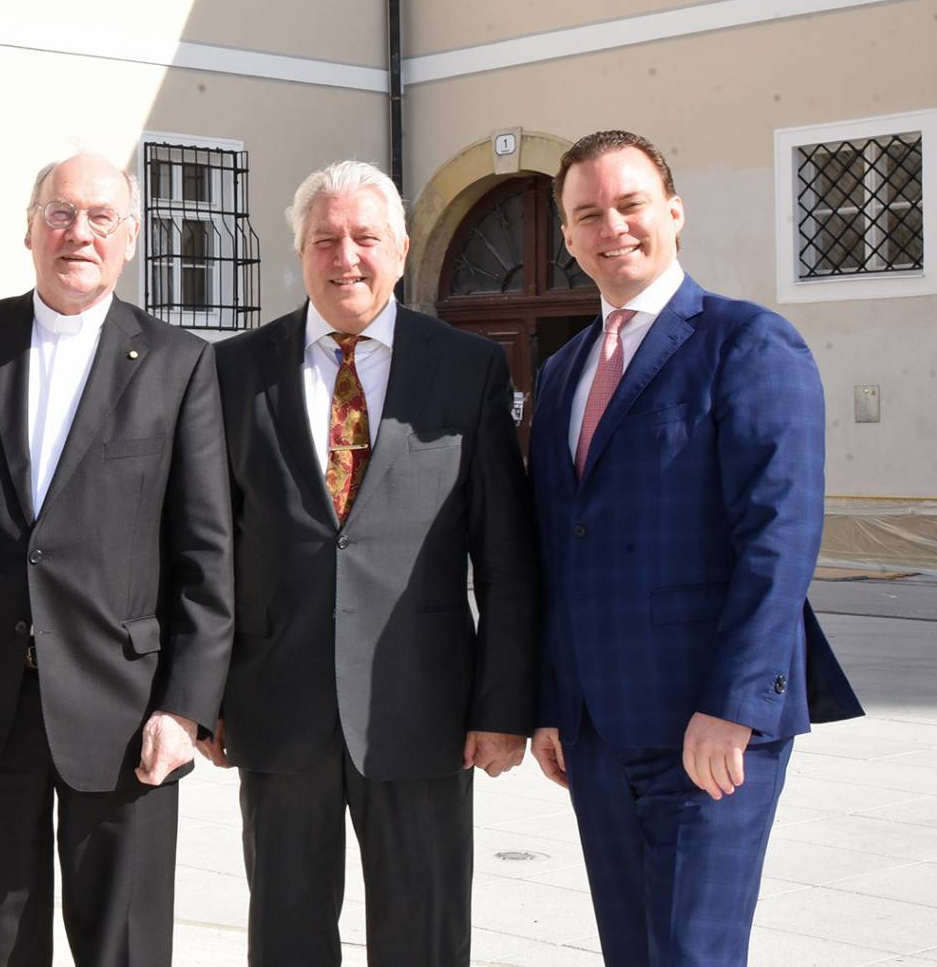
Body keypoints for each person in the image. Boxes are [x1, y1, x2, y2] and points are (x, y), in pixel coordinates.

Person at [0, 151, 234, 966]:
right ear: (30, 228)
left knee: (125, 949)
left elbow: (206, 556)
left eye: (100, 217)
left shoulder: (182, 365)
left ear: (131, 239)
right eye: (61, 213)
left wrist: (185, 710)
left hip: (126, 711)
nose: (79, 232)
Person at [528, 129, 864, 966]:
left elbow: (778, 538)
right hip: (598, 732)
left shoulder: (747, 343)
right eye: (589, 214)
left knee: (693, 955)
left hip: (706, 728)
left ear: (673, 212)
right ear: (569, 239)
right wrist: (549, 702)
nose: (614, 228)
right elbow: (556, 552)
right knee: (633, 953)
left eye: (631, 204)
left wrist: (737, 706)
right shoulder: (564, 370)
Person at [203, 160, 539, 966]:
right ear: (299, 251)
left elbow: (505, 555)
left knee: (423, 934)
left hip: (423, 708)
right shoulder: (234, 371)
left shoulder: (467, 368)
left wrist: (503, 706)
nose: (344, 256)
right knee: (286, 932)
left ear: (399, 249)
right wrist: (202, 695)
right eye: (325, 239)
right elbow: (211, 549)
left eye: (364, 238)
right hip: (278, 709)